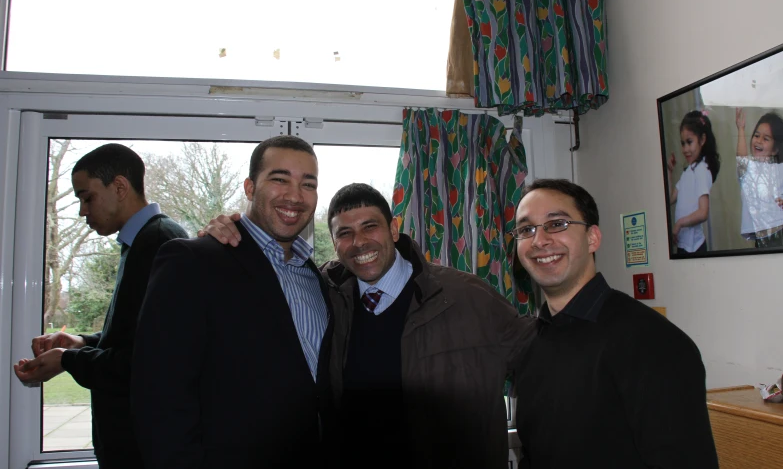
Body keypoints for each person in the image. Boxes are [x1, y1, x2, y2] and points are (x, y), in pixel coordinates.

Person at [201, 183, 534, 469]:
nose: (359, 242)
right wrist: (228, 241)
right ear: (334, 242)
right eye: (345, 233)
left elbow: (540, 360)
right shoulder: (324, 295)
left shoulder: (467, 296)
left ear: (392, 229)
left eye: (369, 227)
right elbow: (261, 288)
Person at [131, 135, 333, 469]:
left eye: (307, 184)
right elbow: (159, 400)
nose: (295, 196)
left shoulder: (315, 277)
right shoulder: (192, 262)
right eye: (279, 179)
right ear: (250, 188)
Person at [512, 178, 718, 468]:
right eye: (526, 229)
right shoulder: (532, 345)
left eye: (556, 224)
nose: (539, 240)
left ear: (593, 238)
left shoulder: (654, 344)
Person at [13, 143, 188, 469]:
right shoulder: (141, 242)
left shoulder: (161, 244)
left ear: (120, 187)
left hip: (145, 451)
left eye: (87, 197)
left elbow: (148, 365)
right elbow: (137, 336)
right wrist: (82, 342)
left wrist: (68, 360)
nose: (82, 210)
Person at [667, 111, 721, 255]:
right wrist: (669, 171)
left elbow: (703, 212)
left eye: (689, 142)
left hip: (694, 248)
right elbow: (670, 199)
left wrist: (679, 224)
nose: (685, 149)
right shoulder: (688, 171)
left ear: (702, 140)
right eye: (683, 144)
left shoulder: (702, 169)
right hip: (684, 245)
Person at [735, 107, 783, 248]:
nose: (759, 141)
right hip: (761, 238)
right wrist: (741, 129)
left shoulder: (779, 168)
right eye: (756, 136)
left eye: (766, 138)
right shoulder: (749, 169)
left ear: (775, 149)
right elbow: (742, 158)